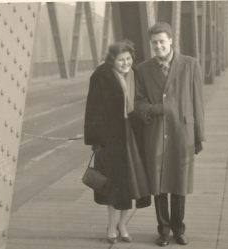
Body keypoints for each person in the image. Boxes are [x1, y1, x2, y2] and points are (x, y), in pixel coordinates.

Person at [134, 22, 206, 246]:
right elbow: (137, 102)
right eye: (154, 43)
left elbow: (198, 102)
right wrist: (155, 109)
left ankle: (179, 228)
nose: (158, 46)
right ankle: (163, 229)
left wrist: (198, 135)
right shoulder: (143, 69)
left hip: (181, 132)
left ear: (171, 41)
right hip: (155, 132)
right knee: (158, 184)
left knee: (179, 182)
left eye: (162, 42)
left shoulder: (191, 64)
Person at [84, 41, 151, 244]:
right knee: (112, 185)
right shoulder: (100, 76)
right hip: (110, 139)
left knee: (130, 182)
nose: (125, 63)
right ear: (112, 59)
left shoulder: (136, 75)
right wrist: (97, 140)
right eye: (121, 59)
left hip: (133, 137)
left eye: (128, 59)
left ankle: (123, 224)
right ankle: (112, 225)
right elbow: (93, 109)